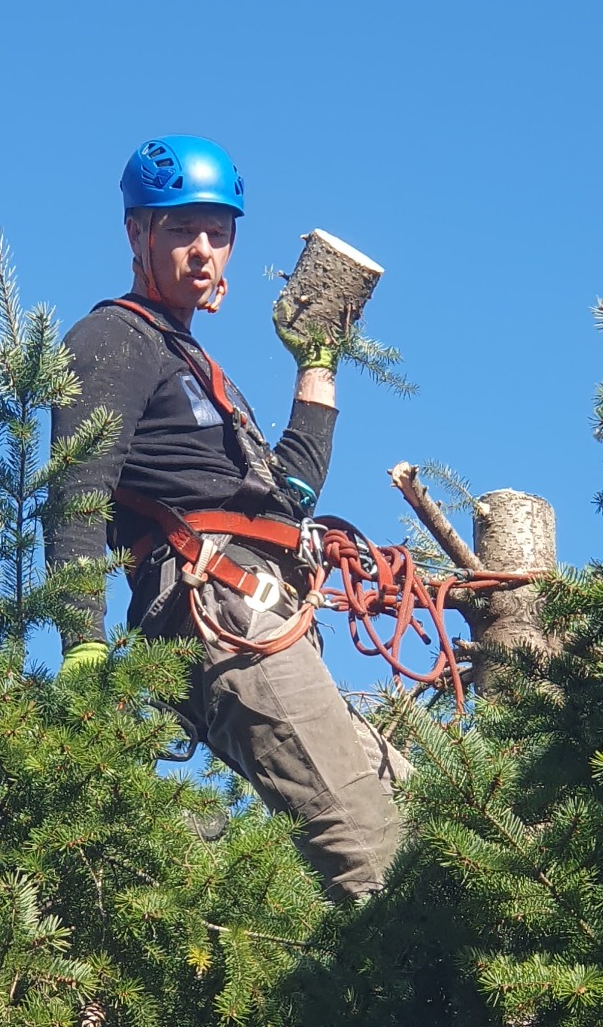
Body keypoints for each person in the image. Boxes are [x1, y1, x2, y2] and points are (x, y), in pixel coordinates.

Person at [45, 134, 410, 901]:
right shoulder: (112, 338)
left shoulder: (198, 370)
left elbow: (289, 499)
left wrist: (317, 365)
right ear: (136, 234)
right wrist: (83, 640)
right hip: (222, 616)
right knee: (375, 853)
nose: (204, 251)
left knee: (425, 812)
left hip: (263, 610)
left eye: (220, 232)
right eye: (181, 229)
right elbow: (77, 489)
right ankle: (438, 1008)